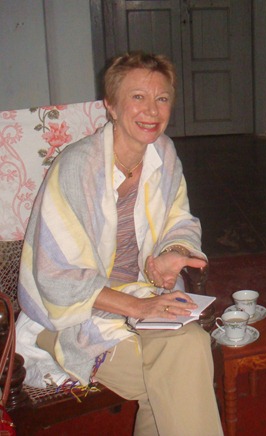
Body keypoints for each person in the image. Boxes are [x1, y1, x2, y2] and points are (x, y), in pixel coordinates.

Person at [16, 52, 223, 435]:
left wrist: (171, 254)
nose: (152, 110)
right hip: (70, 313)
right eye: (138, 97)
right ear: (110, 106)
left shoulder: (164, 153)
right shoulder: (78, 166)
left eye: (162, 98)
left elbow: (180, 219)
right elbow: (55, 277)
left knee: (187, 351)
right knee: (177, 373)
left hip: (143, 296)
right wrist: (138, 307)